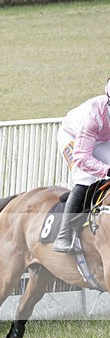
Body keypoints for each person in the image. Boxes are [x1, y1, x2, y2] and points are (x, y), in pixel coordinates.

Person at [53, 78, 110, 253]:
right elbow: (82, 157)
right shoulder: (94, 115)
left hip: (102, 139)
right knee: (85, 177)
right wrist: (106, 170)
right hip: (73, 137)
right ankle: (63, 235)